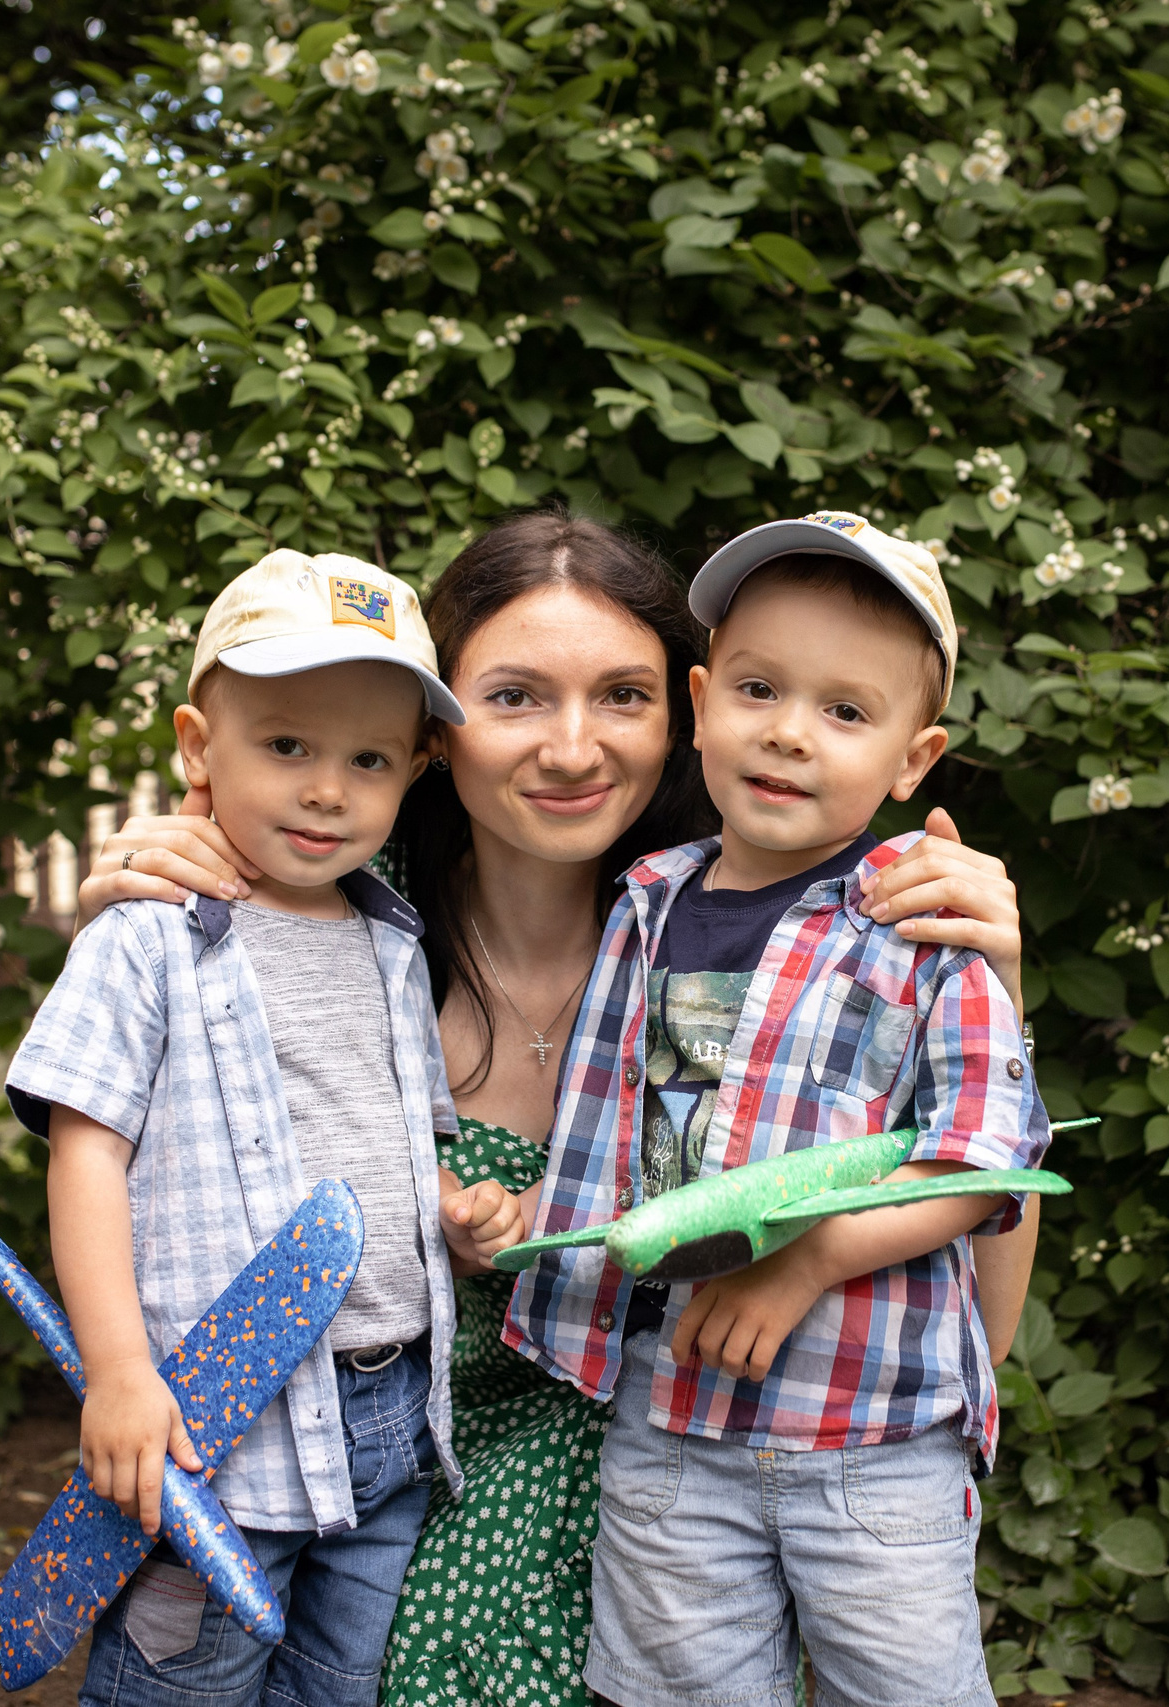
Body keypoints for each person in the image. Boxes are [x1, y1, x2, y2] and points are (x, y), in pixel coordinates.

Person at [76, 512, 1037, 1707]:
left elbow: (982, 1309)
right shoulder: (319, 936)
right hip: (373, 1499)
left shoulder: (793, 953)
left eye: (621, 696)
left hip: (677, 1479)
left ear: (675, 715)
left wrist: (992, 992)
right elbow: (142, 1202)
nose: (573, 748)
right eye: (517, 696)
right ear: (432, 730)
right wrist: (150, 919)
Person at [503, 512, 1047, 1707]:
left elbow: (986, 1162)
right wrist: (533, 1217)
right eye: (758, 687)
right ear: (703, 702)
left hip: (870, 1436)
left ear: (913, 759)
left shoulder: (921, 929)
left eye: (846, 713)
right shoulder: (645, 901)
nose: (791, 732)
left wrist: (803, 1265)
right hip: (671, 1427)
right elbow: (617, 1126)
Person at [6, 549, 524, 1707]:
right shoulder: (145, 937)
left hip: (392, 1411)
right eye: (286, 745)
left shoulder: (392, 945)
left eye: (368, 759)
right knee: (188, 1682)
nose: (327, 789)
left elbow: (385, 1140)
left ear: (411, 774)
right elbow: (86, 1153)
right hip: (219, 1420)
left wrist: (446, 1209)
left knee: (338, 1684)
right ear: (198, 744)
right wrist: (120, 1372)